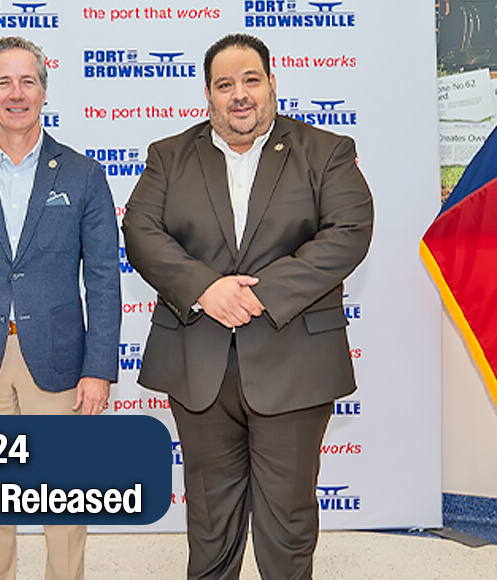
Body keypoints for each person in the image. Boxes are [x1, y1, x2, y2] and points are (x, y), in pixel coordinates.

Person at [122, 33, 374, 580]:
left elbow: (349, 231)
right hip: (198, 366)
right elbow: (140, 232)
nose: (240, 95)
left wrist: (259, 294)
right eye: (225, 84)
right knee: (210, 526)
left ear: (272, 84)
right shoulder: (169, 156)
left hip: (295, 367)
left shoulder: (325, 151)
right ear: (208, 96)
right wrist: (206, 289)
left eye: (250, 80)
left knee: (288, 526)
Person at [0, 36, 121, 580]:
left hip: (59, 363)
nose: (17, 94)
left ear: (44, 90)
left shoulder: (83, 176)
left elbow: (104, 281)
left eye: (27, 81)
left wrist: (98, 370)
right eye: (4, 83)